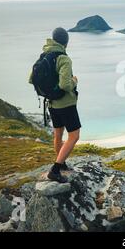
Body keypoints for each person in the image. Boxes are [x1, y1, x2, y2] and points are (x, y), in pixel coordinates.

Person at [29, 27, 81, 183]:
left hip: (51, 104)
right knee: (74, 136)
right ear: (66, 42)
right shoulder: (64, 59)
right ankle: (56, 169)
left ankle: (62, 163)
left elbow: (31, 79)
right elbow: (65, 85)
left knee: (58, 134)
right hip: (66, 104)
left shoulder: (44, 55)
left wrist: (50, 90)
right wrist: (74, 81)